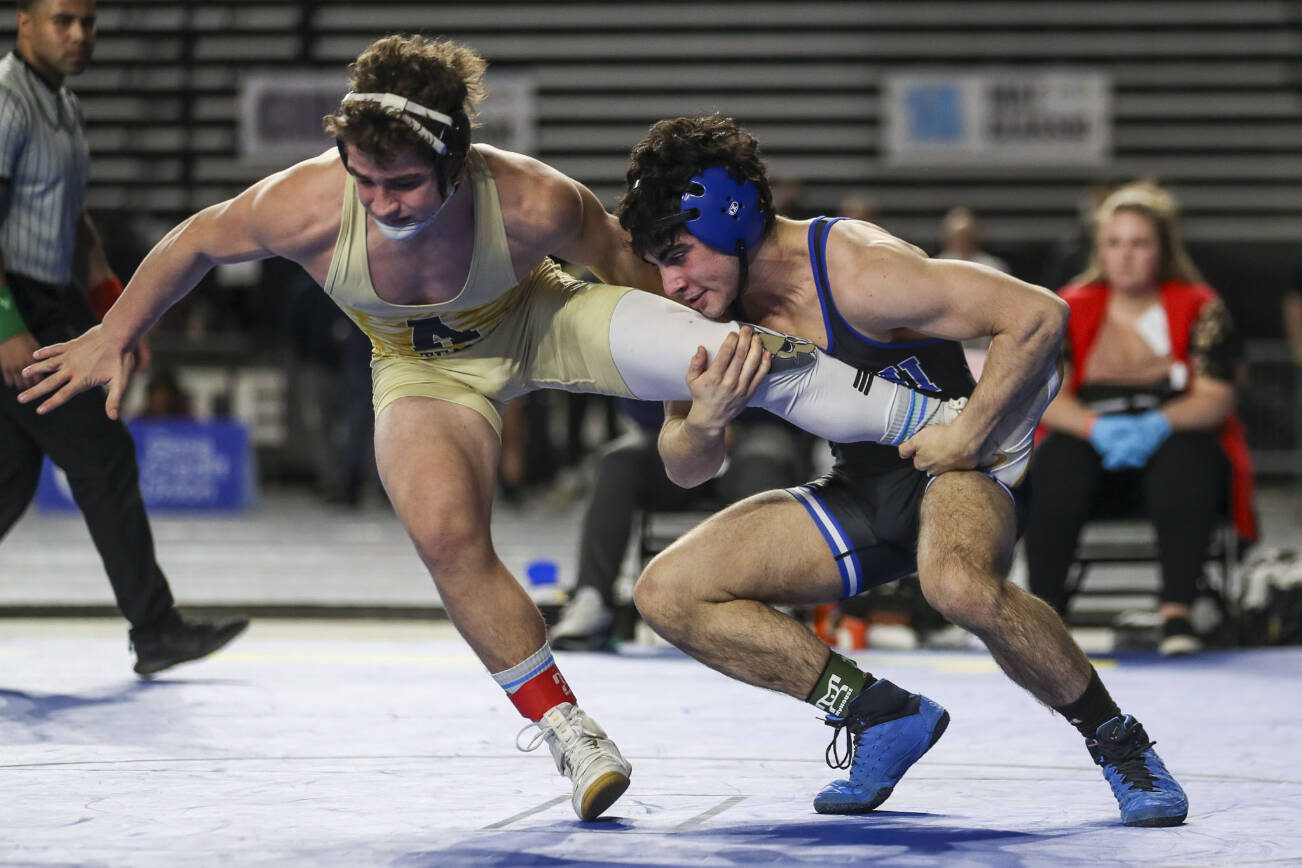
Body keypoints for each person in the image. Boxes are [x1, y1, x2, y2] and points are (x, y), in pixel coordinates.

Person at [17, 36, 1039, 821]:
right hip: (419, 363)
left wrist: (707, 345)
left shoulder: (536, 201)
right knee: (443, 535)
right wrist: (115, 331)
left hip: (544, 315)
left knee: (716, 354)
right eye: (365, 183)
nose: (383, 204)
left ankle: (940, 421)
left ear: (458, 157)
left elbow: (647, 278)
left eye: (405, 185)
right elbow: (197, 241)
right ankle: (568, 729)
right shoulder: (307, 208)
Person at [616, 114, 1187, 827]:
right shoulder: (703, 315)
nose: (672, 284)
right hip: (864, 484)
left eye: (679, 255)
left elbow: (1038, 317)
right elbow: (687, 466)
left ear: (730, 216)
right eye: (658, 264)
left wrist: (970, 436)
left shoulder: (854, 267)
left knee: (957, 585)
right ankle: (879, 714)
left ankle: (1121, 744)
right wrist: (703, 420)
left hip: (960, 463)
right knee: (667, 592)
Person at [0, 0, 247, 676]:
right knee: (103, 461)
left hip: (51, 302)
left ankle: (156, 627)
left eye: (88, 22)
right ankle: (156, 629)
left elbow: (72, 224)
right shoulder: (7, 101)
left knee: (9, 479)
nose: (80, 34)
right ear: (25, 23)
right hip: (19, 305)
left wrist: (116, 313)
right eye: (63, 21)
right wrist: (6, 325)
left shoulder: (63, 107)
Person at [1025, 180, 1257, 656]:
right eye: (1115, 243)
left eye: (1139, 243)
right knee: (1055, 464)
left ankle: (1177, 613)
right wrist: (1095, 428)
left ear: (1162, 249)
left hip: (1173, 435)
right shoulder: (1067, 305)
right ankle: (1042, 617)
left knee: (1187, 460)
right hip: (1092, 438)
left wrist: (1159, 424)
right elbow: (1048, 395)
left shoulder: (1201, 307)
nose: (1126, 255)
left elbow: (1216, 396)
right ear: (1100, 249)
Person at [549, 399, 808, 649]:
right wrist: (700, 425)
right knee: (618, 461)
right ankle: (592, 598)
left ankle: (769, 604)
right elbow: (634, 398)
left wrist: (724, 420)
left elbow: (796, 392)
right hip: (676, 431)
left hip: (758, 428)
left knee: (762, 464)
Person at [937, 206, 1009, 274]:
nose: (962, 242)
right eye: (958, 237)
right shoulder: (937, 266)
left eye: (966, 236)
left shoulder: (992, 266)